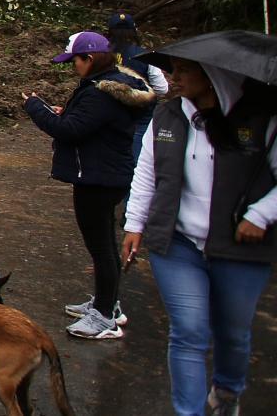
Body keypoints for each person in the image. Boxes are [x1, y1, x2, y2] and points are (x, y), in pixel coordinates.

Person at [123, 57, 276, 416]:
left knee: (233, 334)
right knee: (189, 332)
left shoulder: (259, 121)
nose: (174, 78)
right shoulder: (169, 116)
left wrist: (259, 215)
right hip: (178, 243)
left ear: (214, 77)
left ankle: (226, 391)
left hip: (240, 248)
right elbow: (147, 171)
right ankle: (188, 411)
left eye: (185, 70)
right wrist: (135, 223)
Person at [22, 31, 154, 340]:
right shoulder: (115, 86)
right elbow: (86, 122)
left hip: (97, 178)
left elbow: (71, 131)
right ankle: (107, 303)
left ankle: (104, 317)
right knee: (104, 244)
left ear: (90, 59)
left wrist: (36, 108)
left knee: (101, 248)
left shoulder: (99, 93)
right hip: (108, 174)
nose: (73, 67)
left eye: (75, 61)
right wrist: (65, 113)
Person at [107, 11, 169, 163]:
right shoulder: (145, 56)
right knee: (137, 161)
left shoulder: (102, 55)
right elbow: (163, 89)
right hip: (139, 118)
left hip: (108, 114)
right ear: (134, 31)